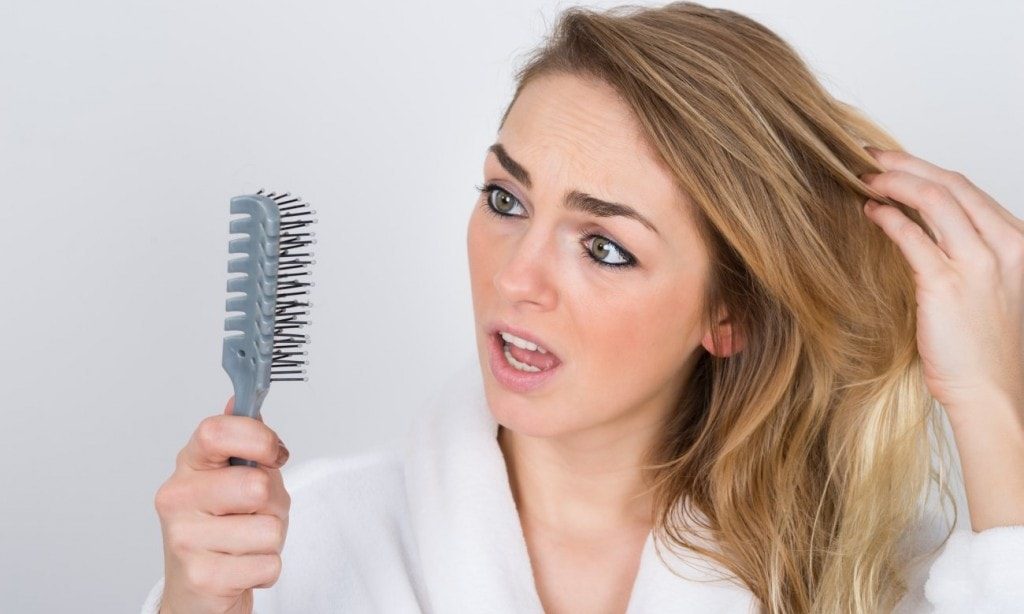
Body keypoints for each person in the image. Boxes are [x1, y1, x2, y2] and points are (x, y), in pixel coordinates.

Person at [142, 2, 1024, 613]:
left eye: (604, 247)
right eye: (505, 200)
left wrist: (990, 402)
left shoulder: (871, 578)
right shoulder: (304, 544)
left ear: (730, 317)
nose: (517, 278)